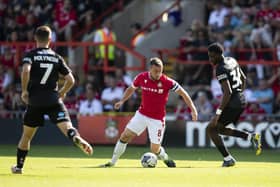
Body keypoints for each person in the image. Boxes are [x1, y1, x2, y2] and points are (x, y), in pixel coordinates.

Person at [11, 25, 93, 174]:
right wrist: (62, 92)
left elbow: (25, 71)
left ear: (35, 38)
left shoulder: (30, 55)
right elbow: (71, 80)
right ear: (50, 39)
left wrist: (24, 91)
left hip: (35, 100)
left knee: (27, 136)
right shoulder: (56, 57)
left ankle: (19, 167)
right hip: (53, 99)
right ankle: (76, 137)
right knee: (67, 127)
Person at [100, 57, 198, 168]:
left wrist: (193, 109)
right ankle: (112, 162)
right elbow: (131, 88)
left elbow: (183, 93)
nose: (158, 74)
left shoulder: (167, 81)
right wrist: (122, 101)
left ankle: (165, 158)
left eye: (160, 71)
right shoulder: (141, 77)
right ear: (150, 69)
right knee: (125, 136)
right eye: (156, 71)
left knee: (154, 149)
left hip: (157, 119)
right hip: (141, 114)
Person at [206, 43, 262, 167]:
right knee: (219, 129)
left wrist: (218, 113)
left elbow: (228, 92)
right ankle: (251, 137)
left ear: (220, 55)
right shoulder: (232, 60)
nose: (210, 60)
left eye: (212, 57)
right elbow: (243, 78)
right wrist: (240, 94)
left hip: (232, 103)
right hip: (241, 101)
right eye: (209, 56)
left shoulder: (220, 68)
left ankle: (228, 159)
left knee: (210, 129)